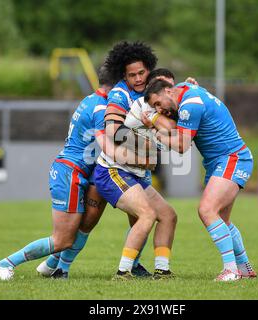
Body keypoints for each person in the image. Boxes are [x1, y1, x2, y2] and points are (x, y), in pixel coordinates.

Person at [0, 67, 150, 281]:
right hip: (70, 172)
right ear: (119, 84)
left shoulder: (93, 99)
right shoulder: (101, 108)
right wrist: (142, 159)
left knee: (85, 224)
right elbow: (108, 146)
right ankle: (3, 264)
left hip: (85, 171)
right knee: (63, 239)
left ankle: (52, 267)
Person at [143, 79, 257, 282]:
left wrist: (154, 131)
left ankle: (231, 270)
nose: (160, 109)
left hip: (232, 159)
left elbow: (181, 146)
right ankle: (244, 267)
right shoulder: (187, 89)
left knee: (206, 210)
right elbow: (188, 83)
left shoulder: (189, 106)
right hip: (221, 161)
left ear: (169, 91)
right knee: (222, 219)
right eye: (155, 107)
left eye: (158, 104)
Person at [94, 41, 177, 280]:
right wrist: (147, 146)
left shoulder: (153, 91)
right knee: (147, 215)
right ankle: (123, 272)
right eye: (132, 75)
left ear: (149, 69)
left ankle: (162, 270)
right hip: (113, 170)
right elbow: (114, 132)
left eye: (142, 72)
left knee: (169, 216)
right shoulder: (120, 94)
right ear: (124, 75)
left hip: (135, 173)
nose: (138, 78)